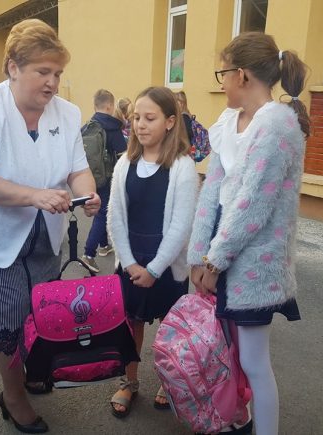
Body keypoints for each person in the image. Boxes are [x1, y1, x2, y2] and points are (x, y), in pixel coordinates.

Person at [0, 19, 101, 434]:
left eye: (58, 73)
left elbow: (77, 170)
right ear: (13, 68)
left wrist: (87, 194)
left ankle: (31, 372)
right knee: (8, 319)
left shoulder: (67, 113)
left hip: (42, 234)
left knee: (37, 309)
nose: (52, 83)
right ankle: (13, 395)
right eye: (43, 72)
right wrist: (35, 195)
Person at [187, 32, 309, 435]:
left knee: (255, 362)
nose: (221, 82)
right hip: (223, 253)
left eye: (222, 74)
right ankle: (237, 418)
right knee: (232, 353)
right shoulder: (230, 122)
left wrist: (214, 261)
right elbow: (213, 192)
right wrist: (199, 255)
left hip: (253, 263)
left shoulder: (276, 125)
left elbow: (253, 204)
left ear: (241, 75)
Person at [107, 86, 198, 418]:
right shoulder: (124, 164)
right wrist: (130, 263)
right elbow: (115, 217)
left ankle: (167, 381)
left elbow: (181, 226)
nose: (140, 125)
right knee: (130, 325)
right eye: (136, 118)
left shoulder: (183, 167)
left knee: (169, 328)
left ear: (170, 122)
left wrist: (155, 269)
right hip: (131, 261)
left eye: (150, 118)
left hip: (166, 264)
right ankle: (129, 382)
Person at [80, 89, 127, 273]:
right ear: (110, 106)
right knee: (103, 213)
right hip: (107, 178)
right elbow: (123, 155)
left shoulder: (87, 127)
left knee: (99, 208)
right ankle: (88, 254)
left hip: (88, 177)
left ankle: (104, 246)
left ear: (95, 106)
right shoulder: (113, 128)